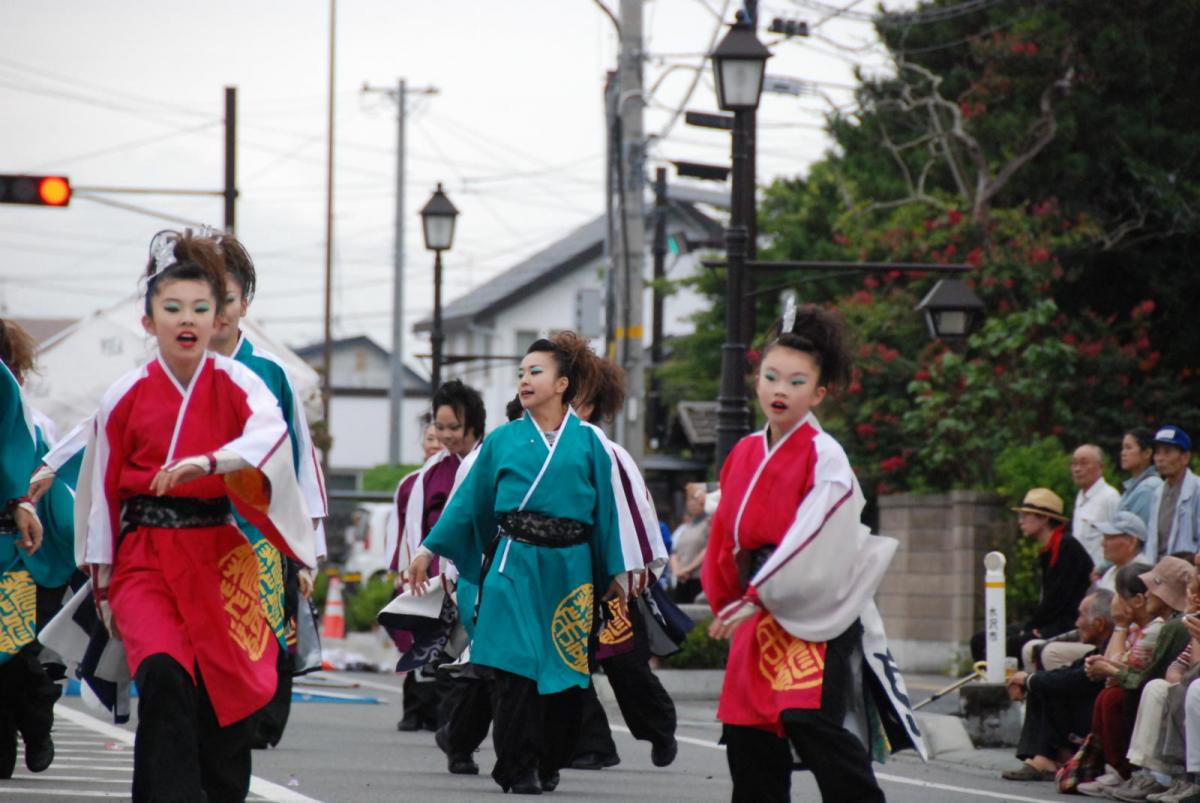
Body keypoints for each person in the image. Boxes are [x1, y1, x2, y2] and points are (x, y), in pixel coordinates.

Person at [75, 231, 316, 802]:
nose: (187, 320)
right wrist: (102, 580)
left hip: (218, 550)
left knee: (223, 693)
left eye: (201, 308)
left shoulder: (245, 382)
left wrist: (210, 462)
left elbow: (272, 438)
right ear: (148, 319)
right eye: (172, 308)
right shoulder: (124, 395)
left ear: (220, 318)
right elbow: (101, 488)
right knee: (163, 677)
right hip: (145, 561)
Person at [701, 304, 924, 803]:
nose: (780, 390)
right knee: (747, 732)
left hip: (816, 602)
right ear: (756, 379)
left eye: (797, 382)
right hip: (760, 603)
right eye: (771, 376)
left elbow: (814, 533)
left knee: (806, 718)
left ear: (819, 393)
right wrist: (729, 598)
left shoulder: (827, 456)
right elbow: (726, 534)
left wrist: (757, 595)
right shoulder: (743, 453)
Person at [407, 335, 628, 794]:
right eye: (522, 372)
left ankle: (550, 758)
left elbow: (607, 513)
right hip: (512, 565)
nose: (525, 380)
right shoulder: (503, 441)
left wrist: (616, 574)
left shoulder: (590, 444)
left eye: (536, 372)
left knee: (566, 675)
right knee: (514, 673)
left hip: (570, 570)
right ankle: (516, 766)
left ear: (563, 384)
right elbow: (469, 504)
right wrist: (428, 549)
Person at [204, 233, 329, 751]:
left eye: (228, 300)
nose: (218, 314)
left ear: (244, 305)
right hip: (196, 530)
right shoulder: (172, 374)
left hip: (260, 531)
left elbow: (302, 462)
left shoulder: (271, 374)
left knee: (263, 629)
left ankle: (257, 720)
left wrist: (308, 551)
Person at [558, 339, 678, 773]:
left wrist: (630, 575)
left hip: (610, 578)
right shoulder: (534, 449)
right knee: (569, 662)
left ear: (588, 405)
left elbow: (639, 516)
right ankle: (592, 745)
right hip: (561, 574)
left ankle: (659, 727)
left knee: (626, 667)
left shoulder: (608, 453)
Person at [388, 380, 484, 734]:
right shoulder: (429, 473)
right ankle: (454, 734)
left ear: (473, 425)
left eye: (454, 427)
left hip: (482, 574)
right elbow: (415, 528)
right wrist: (415, 568)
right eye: (439, 427)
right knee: (445, 658)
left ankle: (458, 734)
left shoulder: (489, 461)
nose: (445, 436)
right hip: (440, 578)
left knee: (479, 661)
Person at [0, 320, 60, 779]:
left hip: (15, 551)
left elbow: (51, 490)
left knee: (15, 657)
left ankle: (38, 724)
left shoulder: (38, 425)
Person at [1077, 558, 1191, 797]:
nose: (1147, 594)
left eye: (1153, 589)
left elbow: (1143, 678)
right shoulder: (1167, 623)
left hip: (1177, 690)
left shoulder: (1173, 626)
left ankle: (1141, 773)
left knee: (1130, 693)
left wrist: (1112, 670)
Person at [1001, 589, 1116, 781]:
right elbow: (1072, 671)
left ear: (1099, 623)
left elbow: (1081, 678)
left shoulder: (1115, 646)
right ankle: (1045, 756)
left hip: (1102, 717)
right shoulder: (1103, 646)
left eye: (1081, 616)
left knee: (1045, 684)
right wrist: (1029, 679)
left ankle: (1051, 756)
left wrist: (1029, 680)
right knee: (1043, 681)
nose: (1077, 623)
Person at [971, 488, 1093, 662]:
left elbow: (1058, 599)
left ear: (1044, 518)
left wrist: (1032, 627)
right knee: (979, 640)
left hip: (1068, 624)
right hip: (1050, 621)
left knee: (1009, 644)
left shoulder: (1067, 547)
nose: (1021, 521)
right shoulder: (1049, 548)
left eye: (1027, 515)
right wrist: (1032, 625)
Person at [1146, 426, 1200, 562]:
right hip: (1158, 567)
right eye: (1157, 452)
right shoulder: (1157, 493)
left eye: (1167, 452)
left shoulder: (1197, 489)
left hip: (1188, 567)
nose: (1160, 458)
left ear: (1185, 457)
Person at [1072, 444, 1122, 568]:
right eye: (1074, 463)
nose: (1077, 469)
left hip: (1100, 578)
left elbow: (1120, 541)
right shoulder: (1080, 497)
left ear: (1100, 467)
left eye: (1084, 463)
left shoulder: (1110, 497)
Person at [668, 483, 710, 603]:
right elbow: (674, 552)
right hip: (682, 580)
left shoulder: (708, 524)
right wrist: (677, 571)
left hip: (699, 580)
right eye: (688, 499)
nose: (690, 503)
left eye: (694, 498)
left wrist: (687, 570)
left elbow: (707, 550)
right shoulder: (685, 528)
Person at [1119, 427, 1163, 529]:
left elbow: (1135, 533)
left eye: (1129, 448)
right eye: (1123, 448)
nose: (1123, 453)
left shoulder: (1148, 488)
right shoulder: (1134, 486)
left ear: (1147, 453)